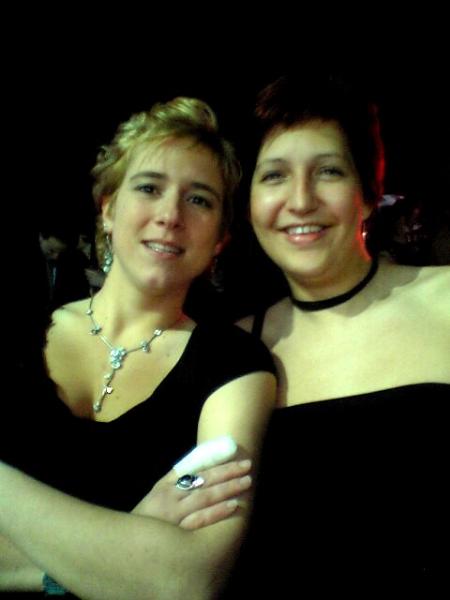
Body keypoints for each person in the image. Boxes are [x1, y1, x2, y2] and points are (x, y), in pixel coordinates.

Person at [0, 96, 277, 599]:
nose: (170, 215)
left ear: (220, 238)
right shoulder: (13, 329)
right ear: (108, 209)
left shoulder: (234, 365)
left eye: (199, 200)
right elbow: (148, 570)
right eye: (149, 188)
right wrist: (127, 540)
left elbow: (187, 579)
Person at [223, 74, 450, 597]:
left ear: (367, 195)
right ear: (249, 203)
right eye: (274, 176)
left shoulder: (445, 300)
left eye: (328, 171)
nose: (301, 200)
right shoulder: (233, 351)